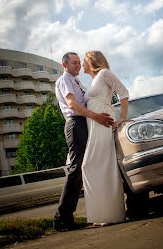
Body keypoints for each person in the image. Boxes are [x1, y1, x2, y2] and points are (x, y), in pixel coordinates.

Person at [54, 52, 114, 231]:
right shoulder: (64, 79)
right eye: (74, 63)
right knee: (76, 168)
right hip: (76, 124)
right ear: (64, 65)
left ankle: (68, 218)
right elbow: (72, 104)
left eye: (80, 62)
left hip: (84, 123)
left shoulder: (77, 81)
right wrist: (96, 116)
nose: (78, 66)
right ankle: (61, 218)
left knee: (83, 168)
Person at [82, 51, 129, 225]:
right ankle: (103, 215)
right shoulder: (93, 80)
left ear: (91, 61)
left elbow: (123, 92)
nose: (81, 65)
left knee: (94, 164)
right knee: (95, 165)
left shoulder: (104, 74)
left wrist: (122, 117)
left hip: (103, 122)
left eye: (83, 61)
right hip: (93, 125)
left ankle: (110, 214)